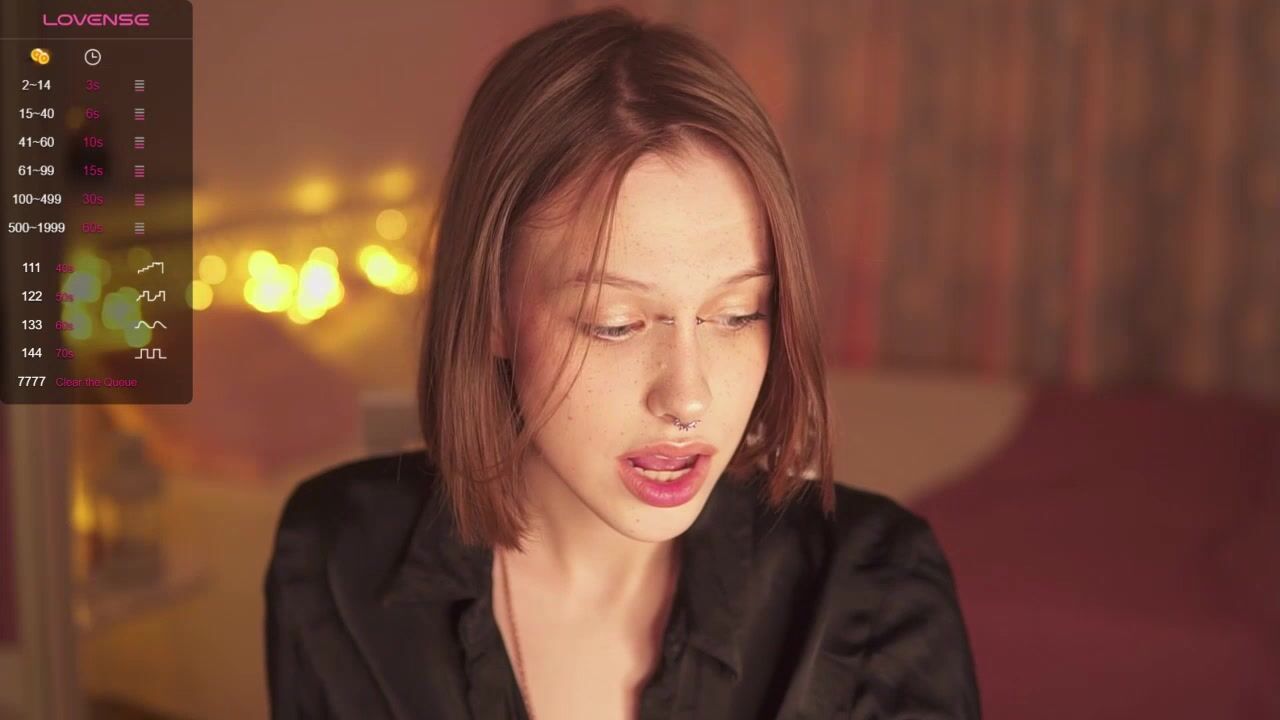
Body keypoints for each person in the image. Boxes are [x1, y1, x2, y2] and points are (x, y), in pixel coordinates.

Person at [264, 7, 981, 719]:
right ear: (490, 311)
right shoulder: (334, 561)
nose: (689, 398)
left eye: (738, 314)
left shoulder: (875, 595)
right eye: (616, 324)